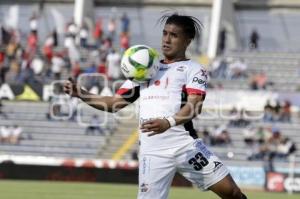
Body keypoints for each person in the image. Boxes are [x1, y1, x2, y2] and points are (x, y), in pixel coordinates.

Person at [64, 13, 247, 199]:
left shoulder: (194, 69)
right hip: (152, 153)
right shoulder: (145, 68)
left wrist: (167, 122)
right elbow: (114, 104)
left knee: (232, 193)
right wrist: (82, 94)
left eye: (174, 35)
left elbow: (194, 105)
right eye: (165, 33)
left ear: (188, 40)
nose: (167, 40)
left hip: (185, 146)